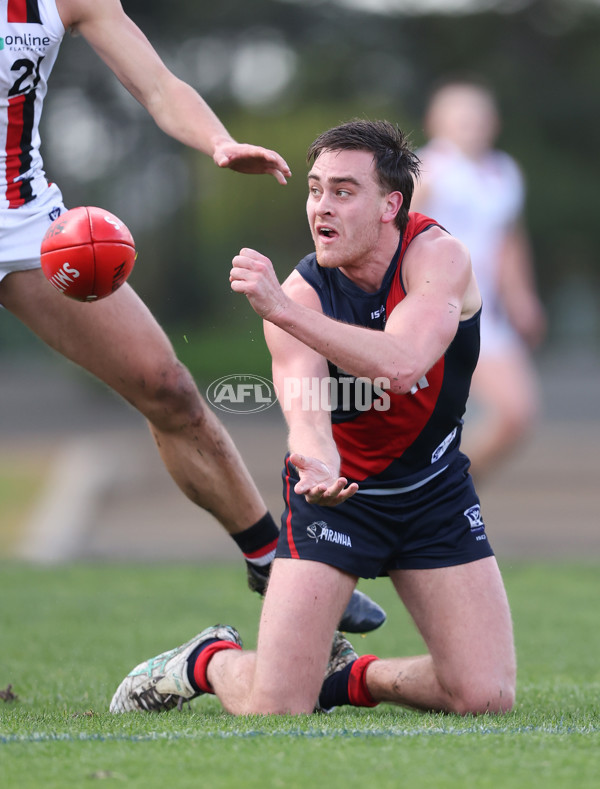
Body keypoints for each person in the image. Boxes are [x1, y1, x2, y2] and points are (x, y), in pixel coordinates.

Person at [0, 0, 384, 633]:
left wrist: (219, 141)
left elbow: (155, 82)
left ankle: (273, 561)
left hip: (23, 223)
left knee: (169, 389)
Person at [110, 119, 516, 717]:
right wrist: (317, 465)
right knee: (276, 707)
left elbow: (402, 365)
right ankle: (208, 660)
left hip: (435, 493)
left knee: (484, 697)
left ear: (390, 205)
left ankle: (349, 678)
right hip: (340, 499)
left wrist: (276, 307)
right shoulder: (302, 294)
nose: (322, 207)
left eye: (344, 192)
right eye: (315, 189)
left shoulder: (437, 258)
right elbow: (306, 413)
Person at [411, 78, 547, 481]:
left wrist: (522, 298)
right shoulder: (425, 171)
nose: (472, 123)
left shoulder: (504, 172)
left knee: (516, 413)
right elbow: (396, 239)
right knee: (418, 424)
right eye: (461, 114)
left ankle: (445, 495)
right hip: (433, 311)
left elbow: (508, 240)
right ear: (435, 121)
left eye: (480, 115)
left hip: (486, 315)